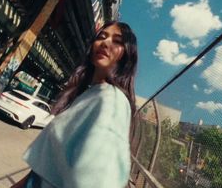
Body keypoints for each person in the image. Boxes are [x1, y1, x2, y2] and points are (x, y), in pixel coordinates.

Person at [13, 21, 138, 188]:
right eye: (102, 37)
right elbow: (49, 165)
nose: (106, 43)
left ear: (127, 54)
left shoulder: (112, 100)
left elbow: (99, 178)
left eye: (117, 41)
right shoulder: (88, 94)